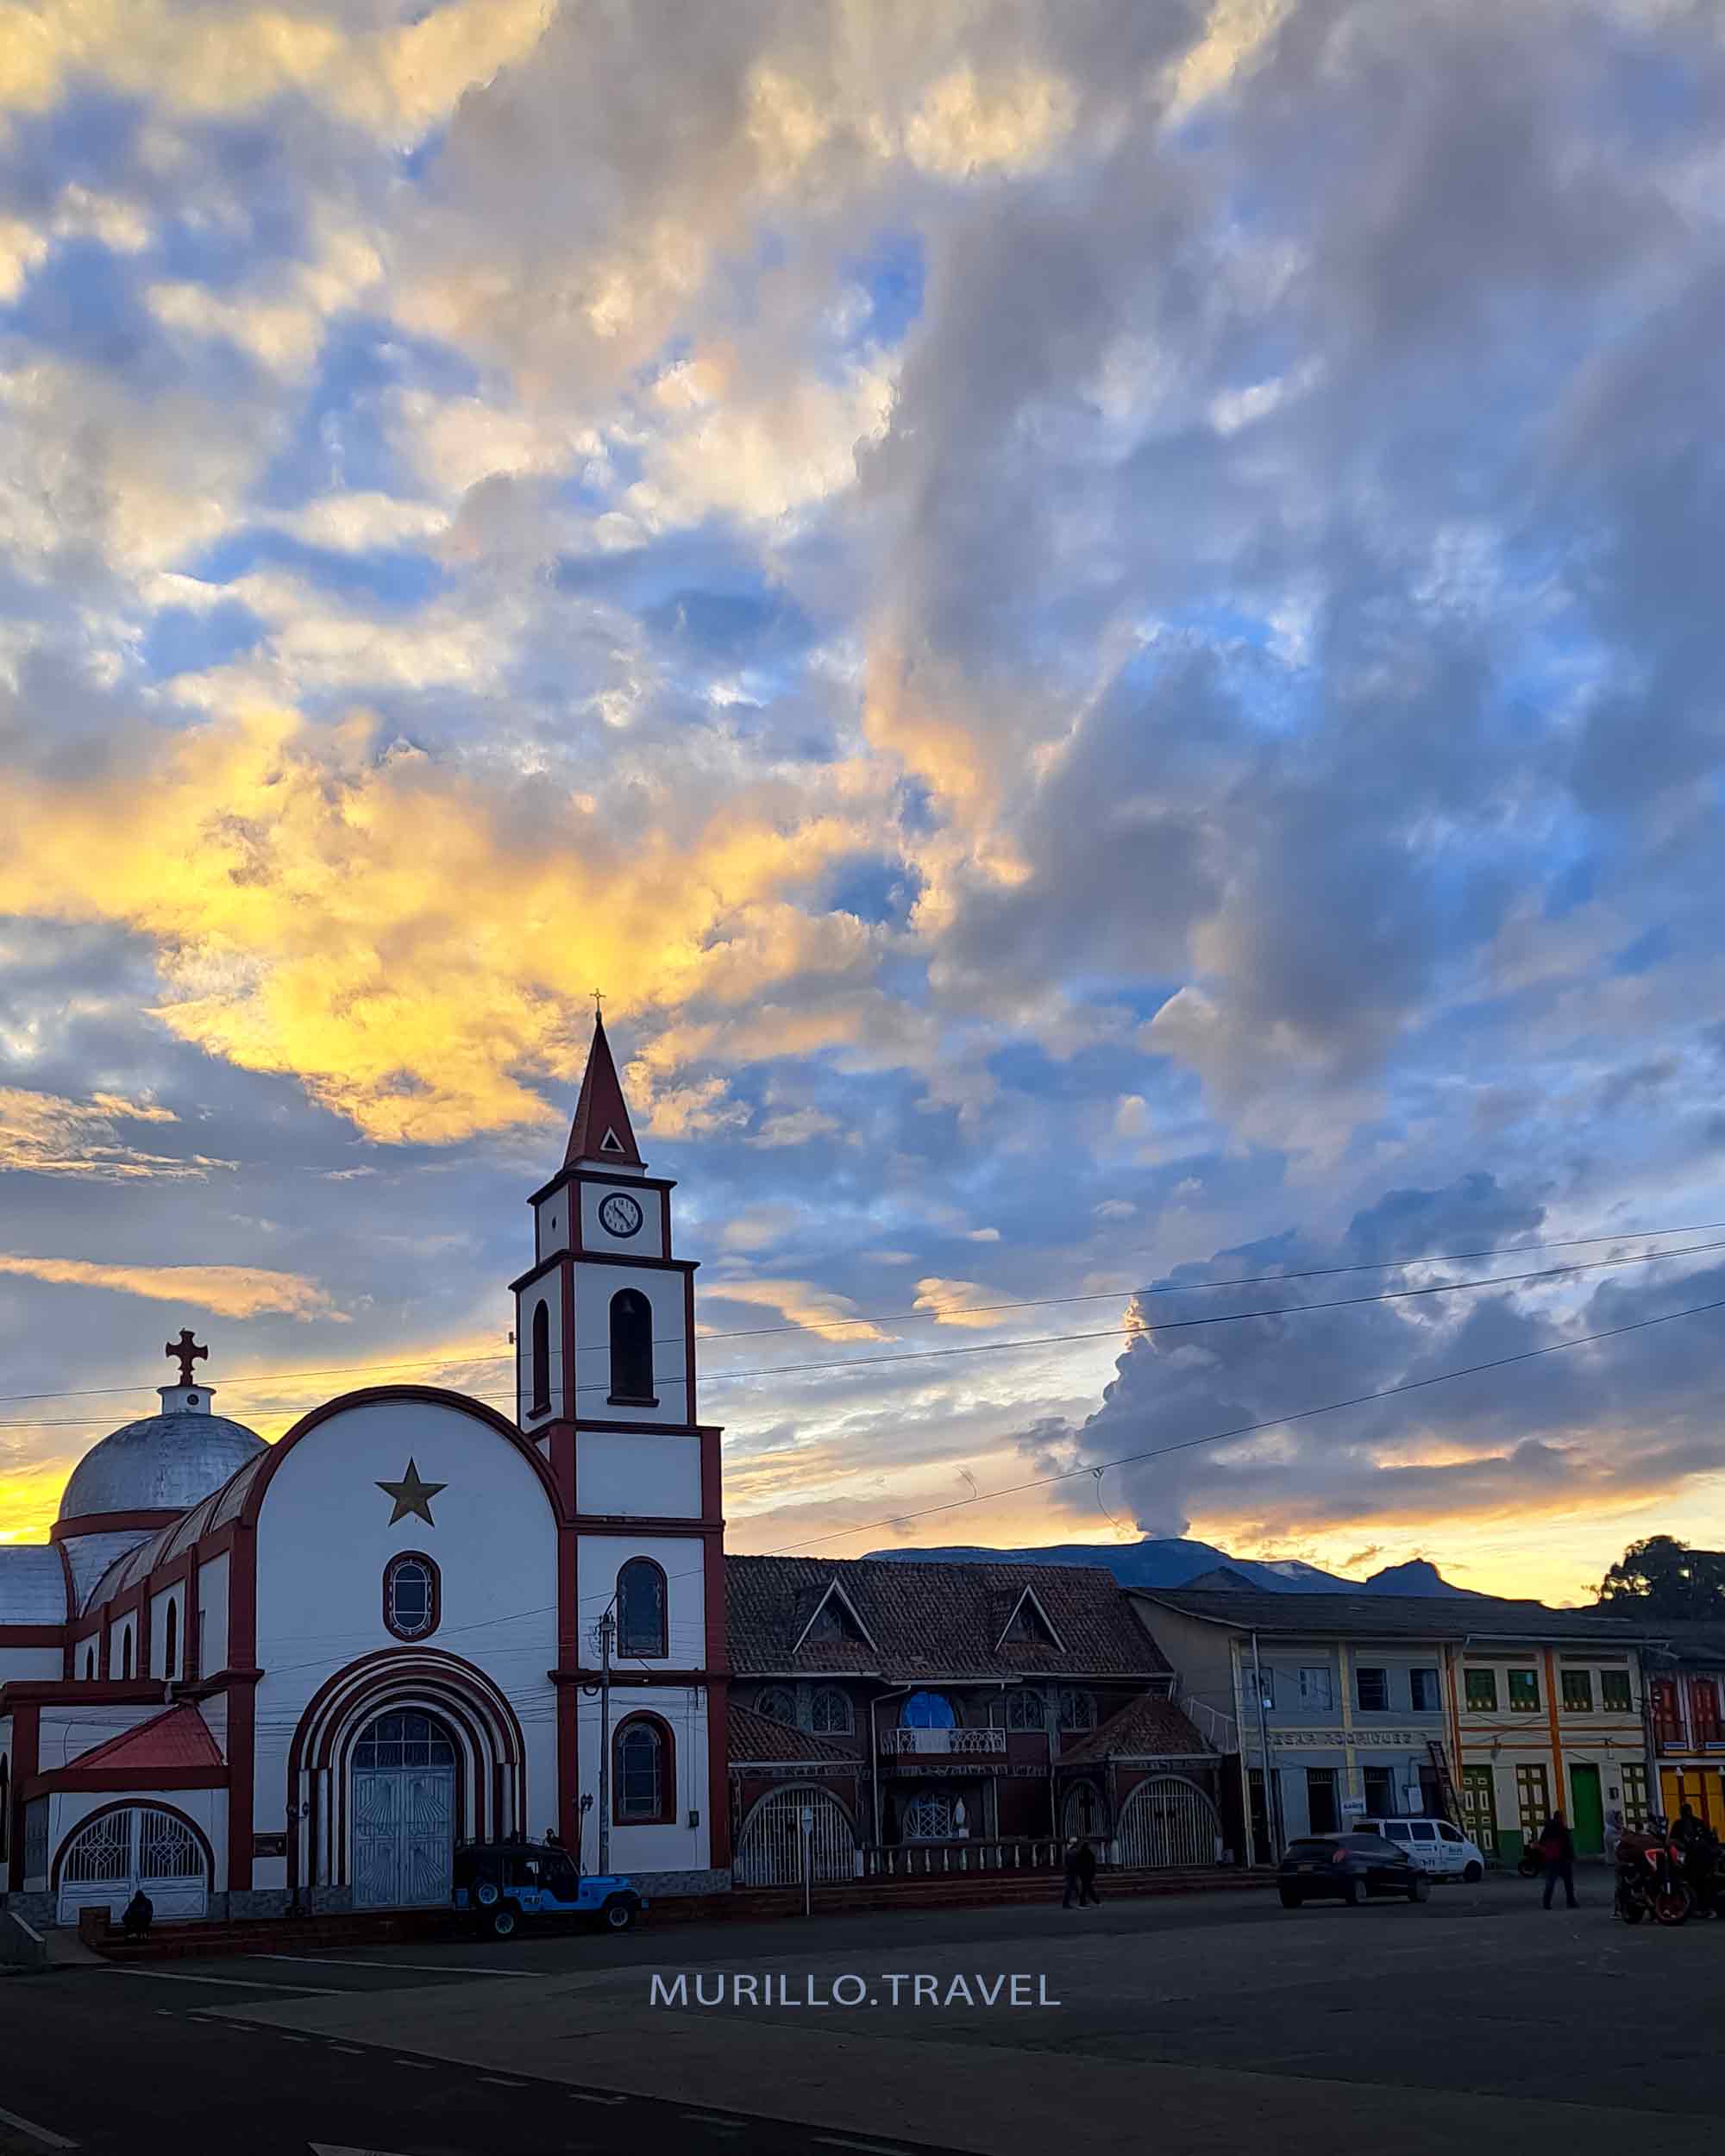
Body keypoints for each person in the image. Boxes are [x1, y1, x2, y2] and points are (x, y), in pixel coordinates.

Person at [1537, 1809, 1577, 1909]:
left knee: (1550, 1882)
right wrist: (1572, 1857)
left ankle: (1546, 1903)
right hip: (1564, 1859)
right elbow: (1568, 1845)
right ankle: (1571, 1902)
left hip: (1551, 1859)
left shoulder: (1547, 1829)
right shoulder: (1563, 1829)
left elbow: (1541, 1844)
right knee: (1568, 1883)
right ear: (1561, 1818)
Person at [1063, 1835, 1100, 1908]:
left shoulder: (1068, 1851)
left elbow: (1066, 1863)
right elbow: (1078, 1863)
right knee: (1071, 1888)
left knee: (1075, 1888)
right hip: (1073, 1872)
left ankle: (1081, 1901)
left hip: (1070, 1872)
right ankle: (1070, 1903)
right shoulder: (1076, 1852)